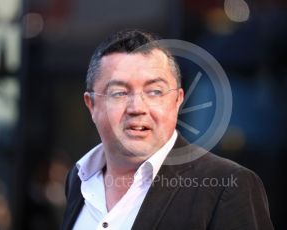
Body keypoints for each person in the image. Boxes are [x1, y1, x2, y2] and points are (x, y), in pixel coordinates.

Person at [62, 29, 274, 230]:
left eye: (154, 91)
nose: (137, 108)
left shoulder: (227, 185)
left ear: (177, 101)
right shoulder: (79, 178)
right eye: (119, 93)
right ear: (92, 105)